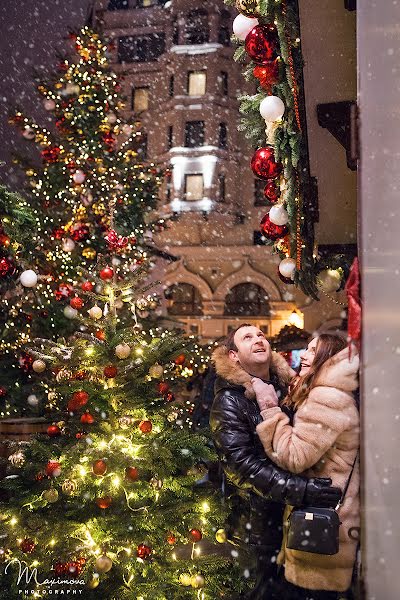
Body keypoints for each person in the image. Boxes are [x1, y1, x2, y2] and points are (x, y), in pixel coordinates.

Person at [210, 324, 342, 600]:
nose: (258, 339)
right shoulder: (230, 401)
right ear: (234, 356)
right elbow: (241, 467)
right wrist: (301, 489)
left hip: (295, 520)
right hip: (259, 528)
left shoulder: (287, 387)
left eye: (261, 335)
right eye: (247, 337)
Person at [252, 334, 360, 600]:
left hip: (322, 527)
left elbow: (294, 456)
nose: (305, 355)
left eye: (313, 350)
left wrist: (268, 408)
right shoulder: (327, 392)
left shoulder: (327, 397)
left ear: (328, 359)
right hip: (325, 522)